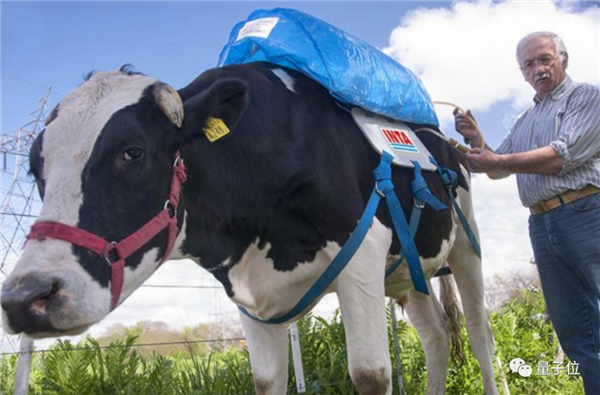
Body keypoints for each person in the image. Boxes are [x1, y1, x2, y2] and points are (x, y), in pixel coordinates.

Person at [454, 31, 600, 394]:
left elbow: (559, 156)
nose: (538, 69)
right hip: (542, 222)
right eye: (529, 64)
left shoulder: (587, 98)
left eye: (545, 59)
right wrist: (475, 140)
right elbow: (498, 167)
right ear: (521, 72)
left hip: (585, 212)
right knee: (574, 330)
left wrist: (496, 159)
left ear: (563, 59)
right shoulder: (524, 120)